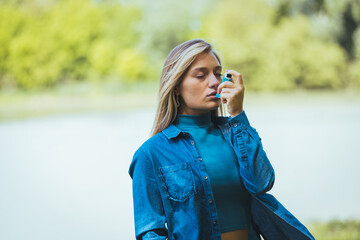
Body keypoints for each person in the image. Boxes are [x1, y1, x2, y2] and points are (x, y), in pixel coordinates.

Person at [128, 39, 314, 240]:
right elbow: (150, 232)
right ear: (175, 87)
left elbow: (262, 183)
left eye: (217, 74)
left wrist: (237, 113)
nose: (215, 82)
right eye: (201, 75)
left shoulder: (236, 133)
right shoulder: (151, 154)